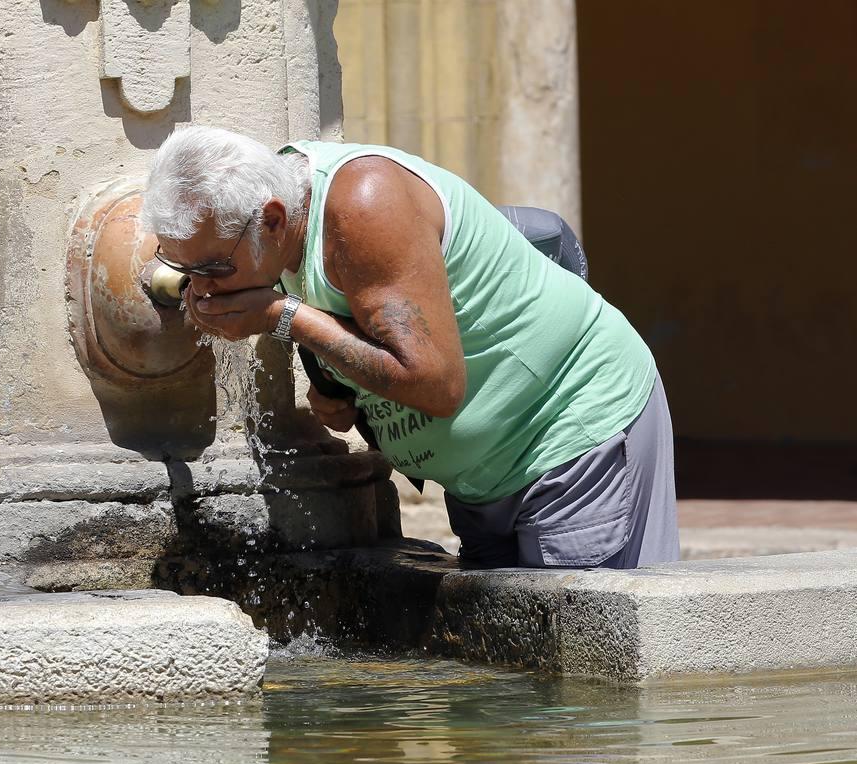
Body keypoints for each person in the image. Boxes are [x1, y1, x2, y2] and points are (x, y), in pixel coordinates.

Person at [141, 126, 679, 569]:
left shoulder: (364, 205)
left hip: (572, 437)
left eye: (213, 268)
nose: (203, 288)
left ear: (274, 220)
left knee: (582, 684)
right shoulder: (269, 228)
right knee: (507, 689)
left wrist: (287, 319)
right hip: (482, 481)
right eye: (185, 269)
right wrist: (343, 391)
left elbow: (435, 384)